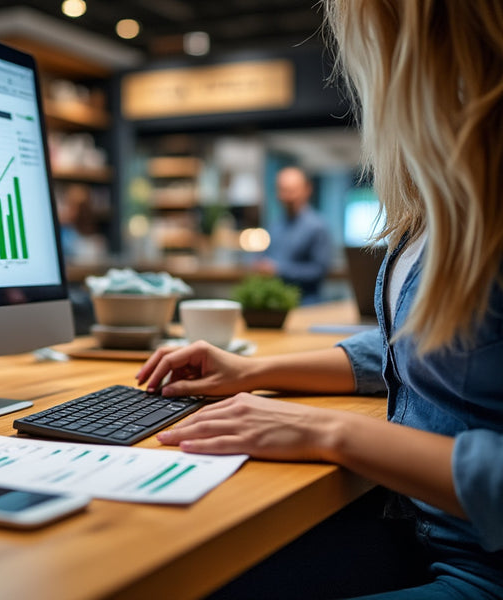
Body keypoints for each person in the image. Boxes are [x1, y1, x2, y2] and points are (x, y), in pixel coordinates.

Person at [136, 2, 503, 599]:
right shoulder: (446, 201)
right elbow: (409, 346)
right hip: (419, 527)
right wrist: (251, 371)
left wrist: (330, 431)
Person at [253, 166, 332, 303]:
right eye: (283, 190)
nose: (287, 197)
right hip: (277, 302)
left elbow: (319, 271)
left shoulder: (317, 227)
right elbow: (266, 257)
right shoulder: (275, 225)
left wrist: (279, 270)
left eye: (292, 191)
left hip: (306, 304)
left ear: (307, 190)